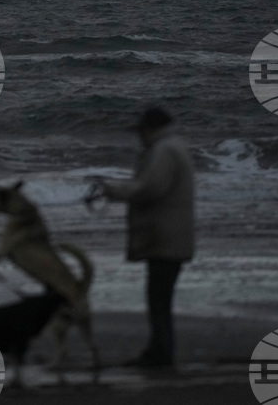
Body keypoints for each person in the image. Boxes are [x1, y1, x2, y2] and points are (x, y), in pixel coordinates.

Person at [100, 107, 195, 369]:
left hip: (165, 237)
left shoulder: (164, 150)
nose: (139, 137)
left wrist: (113, 190)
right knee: (160, 298)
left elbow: (150, 188)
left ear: (148, 129)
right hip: (171, 235)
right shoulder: (173, 146)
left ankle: (161, 354)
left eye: (140, 131)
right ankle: (159, 350)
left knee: (158, 299)